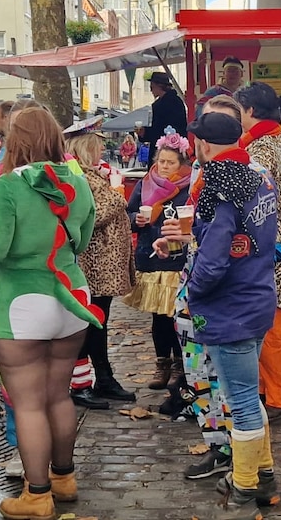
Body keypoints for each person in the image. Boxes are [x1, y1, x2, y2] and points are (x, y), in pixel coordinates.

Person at [0, 107, 102, 519]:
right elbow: (82, 239)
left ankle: (37, 495)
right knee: (59, 395)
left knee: (27, 404)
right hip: (71, 295)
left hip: (23, 300)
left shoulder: (8, 185)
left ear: (15, 138)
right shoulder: (76, 179)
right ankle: (64, 478)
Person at [154, 110, 279, 518]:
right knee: (249, 393)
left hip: (229, 308)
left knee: (240, 400)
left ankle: (244, 489)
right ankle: (263, 476)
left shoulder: (219, 187)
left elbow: (213, 259)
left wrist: (196, 289)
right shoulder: (259, 179)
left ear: (204, 146)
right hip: (257, 297)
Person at [237, 83, 281, 422]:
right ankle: (269, 389)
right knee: (269, 315)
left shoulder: (259, 149)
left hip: (267, 241)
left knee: (273, 320)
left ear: (250, 111)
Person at [65, 121, 138, 406]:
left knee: (99, 320)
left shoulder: (92, 174)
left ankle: (104, 377)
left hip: (103, 263)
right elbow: (86, 217)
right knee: (91, 320)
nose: (101, 152)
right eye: (96, 147)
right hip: (92, 263)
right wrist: (117, 200)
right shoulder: (78, 176)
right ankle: (83, 381)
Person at [125, 128, 192, 403]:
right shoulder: (145, 183)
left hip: (176, 257)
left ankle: (179, 364)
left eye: (170, 162)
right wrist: (135, 221)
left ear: (182, 164)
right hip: (149, 255)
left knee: (176, 314)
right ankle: (162, 362)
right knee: (158, 317)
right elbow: (129, 210)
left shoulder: (188, 184)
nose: (164, 167)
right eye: (161, 161)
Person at [140, 71, 189, 163]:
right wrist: (145, 133)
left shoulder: (170, 103)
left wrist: (146, 133)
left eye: (152, 86)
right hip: (166, 147)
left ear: (159, 86)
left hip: (167, 149)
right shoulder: (171, 102)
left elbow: (161, 129)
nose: (151, 90)